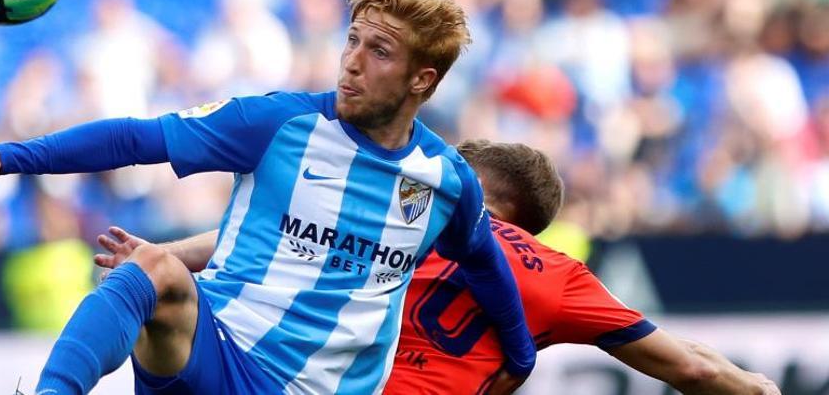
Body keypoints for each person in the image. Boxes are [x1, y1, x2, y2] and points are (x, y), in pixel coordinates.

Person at [0, 0, 535, 395]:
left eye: (378, 51)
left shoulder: (446, 180)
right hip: (221, 347)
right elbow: (136, 139)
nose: (351, 62)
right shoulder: (276, 123)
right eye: (352, 40)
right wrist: (7, 157)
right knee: (150, 270)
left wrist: (521, 354)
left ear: (421, 79)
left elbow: (484, 263)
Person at [96, 139, 781, 395]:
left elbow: (252, 238)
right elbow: (687, 364)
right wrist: (751, 387)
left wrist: (154, 263)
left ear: (484, 189)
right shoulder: (560, 275)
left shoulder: (409, 209)